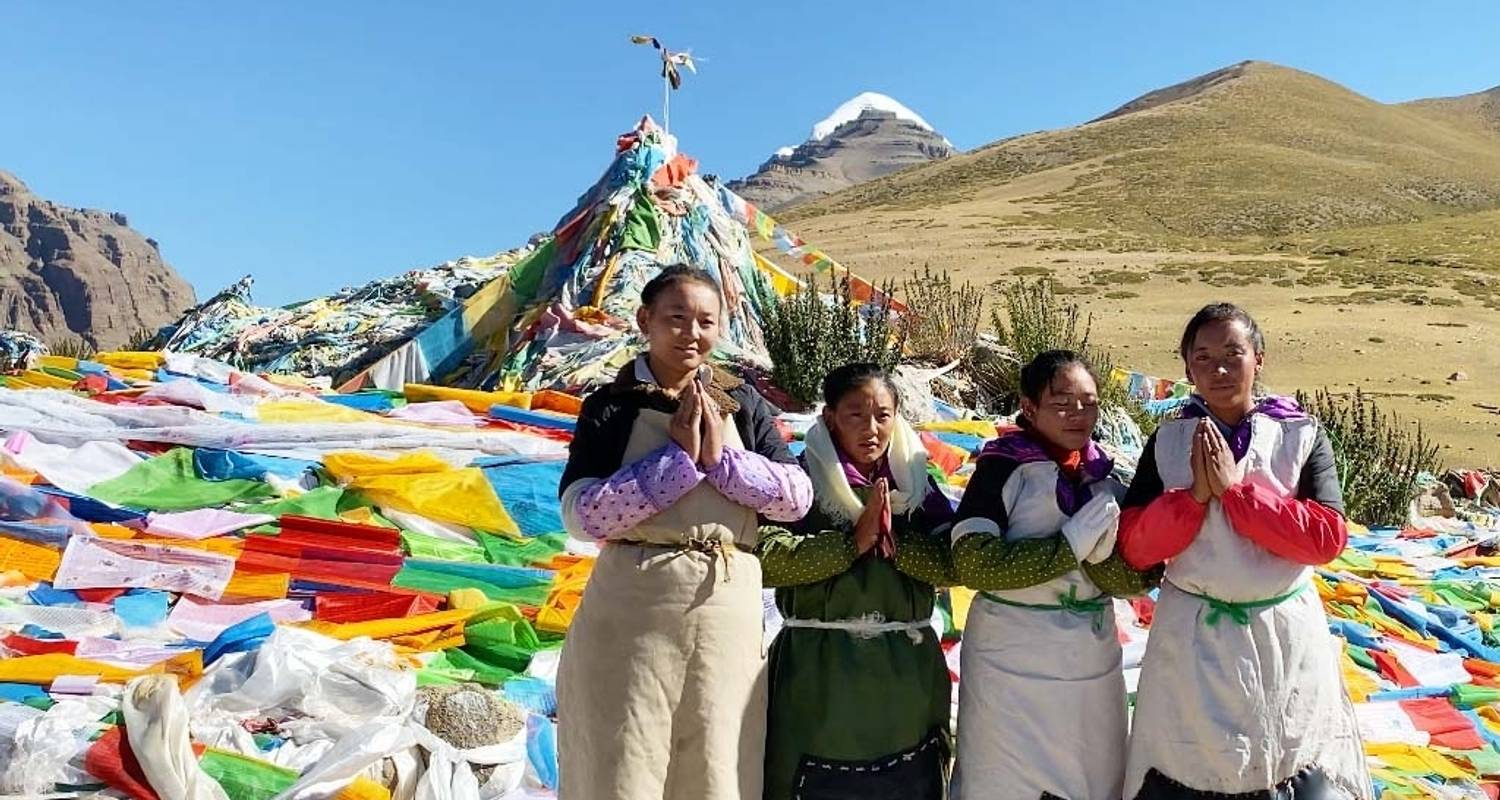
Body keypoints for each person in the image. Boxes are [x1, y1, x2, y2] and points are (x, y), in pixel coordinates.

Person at [555, 265, 813, 800]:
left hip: (725, 605)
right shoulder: (612, 406)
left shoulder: (745, 403)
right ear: (645, 319)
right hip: (634, 605)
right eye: (676, 318)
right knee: (625, 756)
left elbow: (797, 498)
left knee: (718, 757)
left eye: (706, 321)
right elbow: (582, 516)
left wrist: (723, 463)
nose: (692, 333)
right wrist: (677, 464)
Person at [1119, 303, 1370, 799]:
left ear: (1259, 358)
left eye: (1233, 354)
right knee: (1186, 760)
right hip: (1191, 637)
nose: (1219, 368)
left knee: (1291, 752)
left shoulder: (1301, 434)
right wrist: (1192, 501)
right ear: (1187, 367)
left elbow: (1326, 538)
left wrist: (1237, 494)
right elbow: (1135, 546)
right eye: (1204, 356)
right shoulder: (1168, 442)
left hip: (1283, 635)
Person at [950, 350, 1150, 800]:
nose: (1078, 415)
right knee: (1005, 776)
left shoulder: (1105, 476)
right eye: (1062, 403)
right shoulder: (1001, 467)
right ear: (1029, 407)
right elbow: (973, 562)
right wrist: (1070, 546)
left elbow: (1137, 577)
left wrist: (1102, 561)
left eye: (1090, 402)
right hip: (1012, 657)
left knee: (1094, 772)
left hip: (1088, 657)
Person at [756, 363, 957, 800]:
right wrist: (850, 544)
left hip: (906, 672)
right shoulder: (799, 483)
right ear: (829, 418)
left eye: (883, 415)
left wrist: (895, 542)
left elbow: (954, 564)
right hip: (820, 672)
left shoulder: (917, 485)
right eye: (855, 415)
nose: (871, 428)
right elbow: (766, 559)